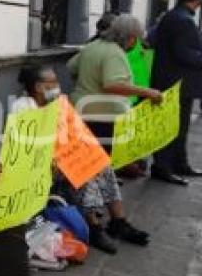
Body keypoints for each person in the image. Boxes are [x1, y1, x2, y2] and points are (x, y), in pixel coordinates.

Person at [13, 66, 149, 254]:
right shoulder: (23, 106)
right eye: (52, 83)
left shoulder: (57, 103)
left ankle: (118, 221)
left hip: (60, 161)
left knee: (100, 164)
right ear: (38, 87)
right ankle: (94, 227)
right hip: (36, 168)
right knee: (84, 173)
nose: (57, 86)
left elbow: (73, 134)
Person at [150, 0, 202, 185]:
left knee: (180, 126)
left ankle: (179, 164)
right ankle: (163, 167)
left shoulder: (174, 16)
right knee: (173, 127)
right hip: (177, 84)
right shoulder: (182, 20)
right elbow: (183, 54)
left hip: (172, 81)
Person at [67, 14, 163, 154]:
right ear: (130, 38)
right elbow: (113, 84)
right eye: (135, 39)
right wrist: (148, 92)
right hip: (102, 113)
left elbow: (71, 67)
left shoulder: (92, 46)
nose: (135, 43)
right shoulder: (114, 53)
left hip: (81, 108)